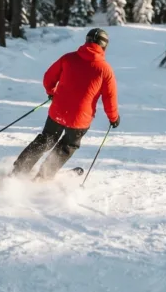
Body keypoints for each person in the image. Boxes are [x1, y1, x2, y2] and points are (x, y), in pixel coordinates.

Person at [13, 27, 119, 179]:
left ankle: (18, 171)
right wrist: (113, 118)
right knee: (67, 146)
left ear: (87, 41)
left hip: (58, 111)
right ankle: (43, 177)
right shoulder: (105, 70)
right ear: (104, 46)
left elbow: (48, 78)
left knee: (46, 139)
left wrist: (51, 92)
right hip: (80, 119)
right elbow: (110, 98)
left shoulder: (68, 58)